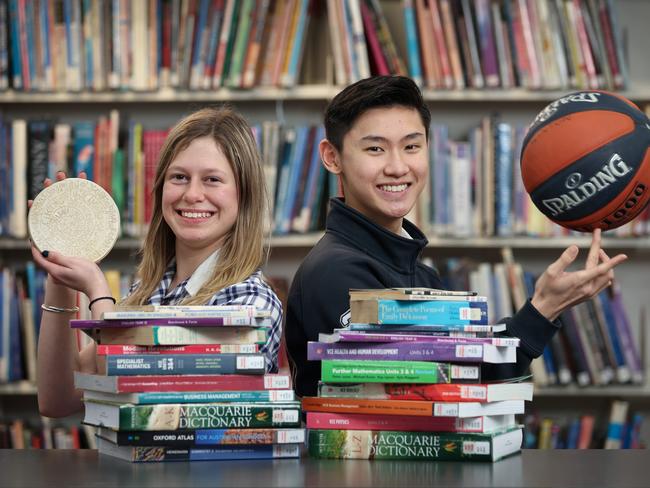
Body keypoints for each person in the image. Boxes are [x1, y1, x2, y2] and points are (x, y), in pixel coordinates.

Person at [285, 76, 628, 398]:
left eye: (411, 146)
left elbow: (468, 381)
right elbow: (423, 395)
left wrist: (545, 307)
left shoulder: (421, 273)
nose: (398, 167)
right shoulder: (335, 272)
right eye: (375, 149)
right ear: (333, 157)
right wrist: (540, 311)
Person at [32, 107, 282, 418]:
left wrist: (98, 292)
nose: (192, 194)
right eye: (179, 177)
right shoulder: (149, 291)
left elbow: (149, 410)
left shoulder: (252, 302)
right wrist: (60, 274)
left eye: (212, 180)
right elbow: (58, 400)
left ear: (244, 196)